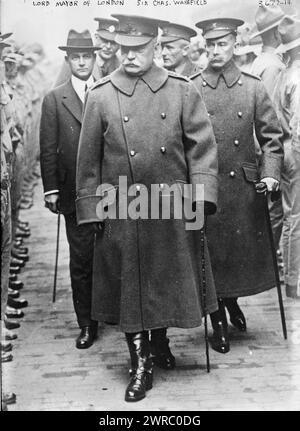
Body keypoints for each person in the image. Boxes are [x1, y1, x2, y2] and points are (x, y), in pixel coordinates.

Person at [76, 14, 219, 402]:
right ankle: (140, 363)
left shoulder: (181, 90)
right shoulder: (101, 95)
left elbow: (201, 148)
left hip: (170, 205)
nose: (130, 56)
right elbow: (88, 162)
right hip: (122, 205)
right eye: (124, 49)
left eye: (138, 49)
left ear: (155, 46)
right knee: (131, 285)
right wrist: (91, 210)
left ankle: (159, 342)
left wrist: (202, 195)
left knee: (162, 278)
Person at [191, 17, 283, 353]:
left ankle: (231, 303)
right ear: (204, 46)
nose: (216, 51)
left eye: (222, 44)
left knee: (235, 256)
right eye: (210, 45)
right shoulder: (193, 87)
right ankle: (218, 323)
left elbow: (273, 137)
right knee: (210, 257)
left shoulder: (253, 86)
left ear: (235, 44)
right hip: (208, 186)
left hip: (243, 189)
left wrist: (270, 173)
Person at [40, 30, 99, 349]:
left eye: (86, 56)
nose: (81, 62)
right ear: (68, 60)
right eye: (75, 57)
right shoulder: (55, 98)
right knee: (81, 258)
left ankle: (108, 312)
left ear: (94, 58)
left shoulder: (105, 90)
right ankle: (86, 323)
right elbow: (47, 147)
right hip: (73, 191)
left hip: (108, 189)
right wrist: (51, 189)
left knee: (108, 253)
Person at [273, 16, 300, 299]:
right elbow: (298, 125)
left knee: (292, 214)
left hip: (285, 149)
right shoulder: (297, 76)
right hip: (295, 149)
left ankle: (291, 277)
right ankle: (294, 280)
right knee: (297, 217)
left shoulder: (285, 72)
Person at [54, 18, 120, 87]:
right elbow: (57, 93)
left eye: (113, 42)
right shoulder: (73, 61)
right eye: (104, 41)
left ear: (119, 44)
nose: (108, 46)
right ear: (96, 37)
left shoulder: (121, 65)